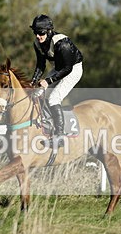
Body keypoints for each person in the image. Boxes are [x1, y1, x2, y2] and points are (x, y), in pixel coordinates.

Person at [29, 14, 84, 144]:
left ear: (49, 31)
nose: (37, 36)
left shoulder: (62, 43)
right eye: (35, 32)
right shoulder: (38, 43)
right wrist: (33, 81)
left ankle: (59, 136)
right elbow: (40, 65)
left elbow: (67, 69)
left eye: (40, 32)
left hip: (73, 69)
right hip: (59, 68)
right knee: (37, 93)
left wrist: (48, 81)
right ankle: (47, 123)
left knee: (54, 98)